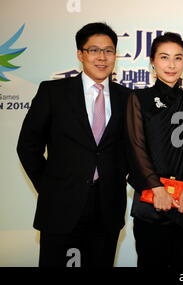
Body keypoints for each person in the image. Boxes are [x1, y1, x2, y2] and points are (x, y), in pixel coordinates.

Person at [17, 22, 130, 267]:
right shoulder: (53, 92)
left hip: (107, 208)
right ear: (80, 54)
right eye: (94, 50)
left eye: (109, 51)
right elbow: (27, 145)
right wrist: (49, 186)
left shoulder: (127, 98)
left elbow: (133, 150)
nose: (102, 57)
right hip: (61, 207)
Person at [126, 32, 183, 267]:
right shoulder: (139, 98)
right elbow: (136, 148)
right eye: (164, 57)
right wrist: (157, 188)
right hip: (153, 205)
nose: (171, 65)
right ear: (152, 62)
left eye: (178, 58)